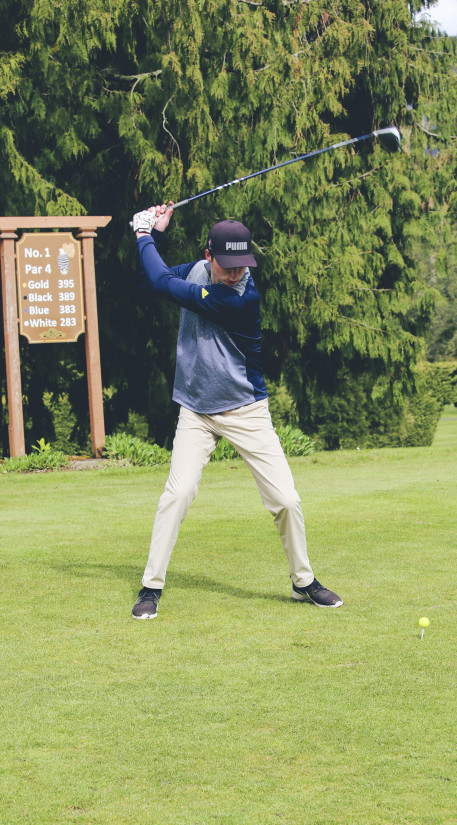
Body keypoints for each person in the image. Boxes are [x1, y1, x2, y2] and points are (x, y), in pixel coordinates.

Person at [130, 203, 343, 619]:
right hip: (196, 411)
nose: (235, 272)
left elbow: (158, 279)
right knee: (178, 494)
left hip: (246, 409)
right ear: (208, 256)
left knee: (285, 499)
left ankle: (303, 582)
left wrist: (142, 232)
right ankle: (151, 586)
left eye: (241, 264)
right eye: (226, 265)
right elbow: (152, 280)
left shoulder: (239, 298)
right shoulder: (195, 271)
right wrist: (153, 233)